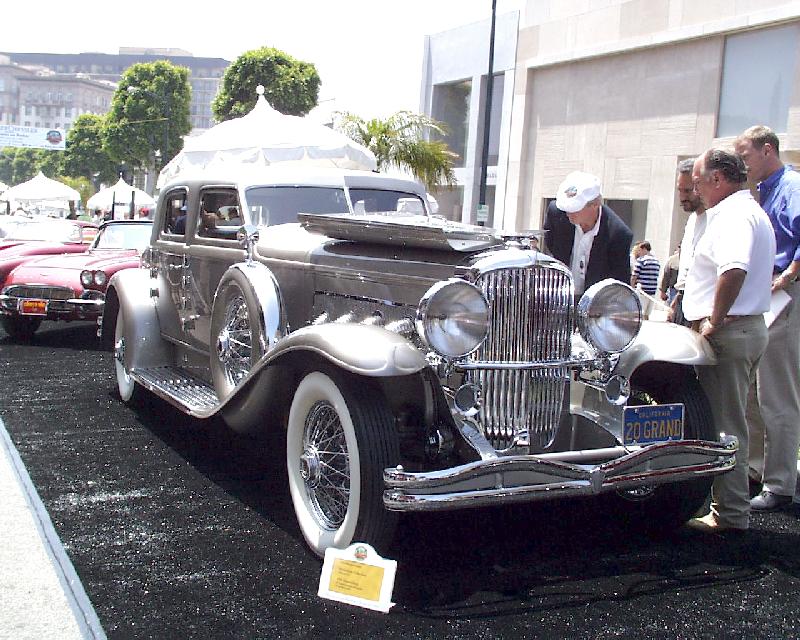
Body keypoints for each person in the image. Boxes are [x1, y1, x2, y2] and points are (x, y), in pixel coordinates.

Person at [683, 148, 775, 534]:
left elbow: (733, 269)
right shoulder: (750, 211)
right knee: (734, 419)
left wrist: (713, 321)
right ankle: (729, 506)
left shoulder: (733, 216)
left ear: (717, 179)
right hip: (746, 328)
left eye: (699, 182)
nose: (696, 191)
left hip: (730, 332)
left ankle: (730, 513)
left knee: (725, 425)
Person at [734, 125, 800, 511]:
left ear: (768, 150)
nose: (742, 164)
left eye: (745, 156)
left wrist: (787, 276)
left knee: (777, 395)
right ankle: (756, 471)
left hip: (785, 297)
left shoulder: (791, 186)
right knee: (755, 394)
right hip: (767, 297)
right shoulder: (766, 190)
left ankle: (780, 484)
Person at [543, 171, 633, 295]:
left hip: (594, 301)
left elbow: (618, 284)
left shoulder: (618, 235)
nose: (569, 212)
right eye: (566, 207)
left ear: (595, 204)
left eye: (575, 208)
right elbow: (551, 243)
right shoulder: (557, 214)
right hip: (559, 294)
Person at [671, 158, 709, 326]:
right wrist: (678, 298)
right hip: (683, 302)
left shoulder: (715, 220)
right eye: (679, 190)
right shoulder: (692, 220)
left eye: (687, 191)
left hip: (702, 307)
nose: (682, 197)